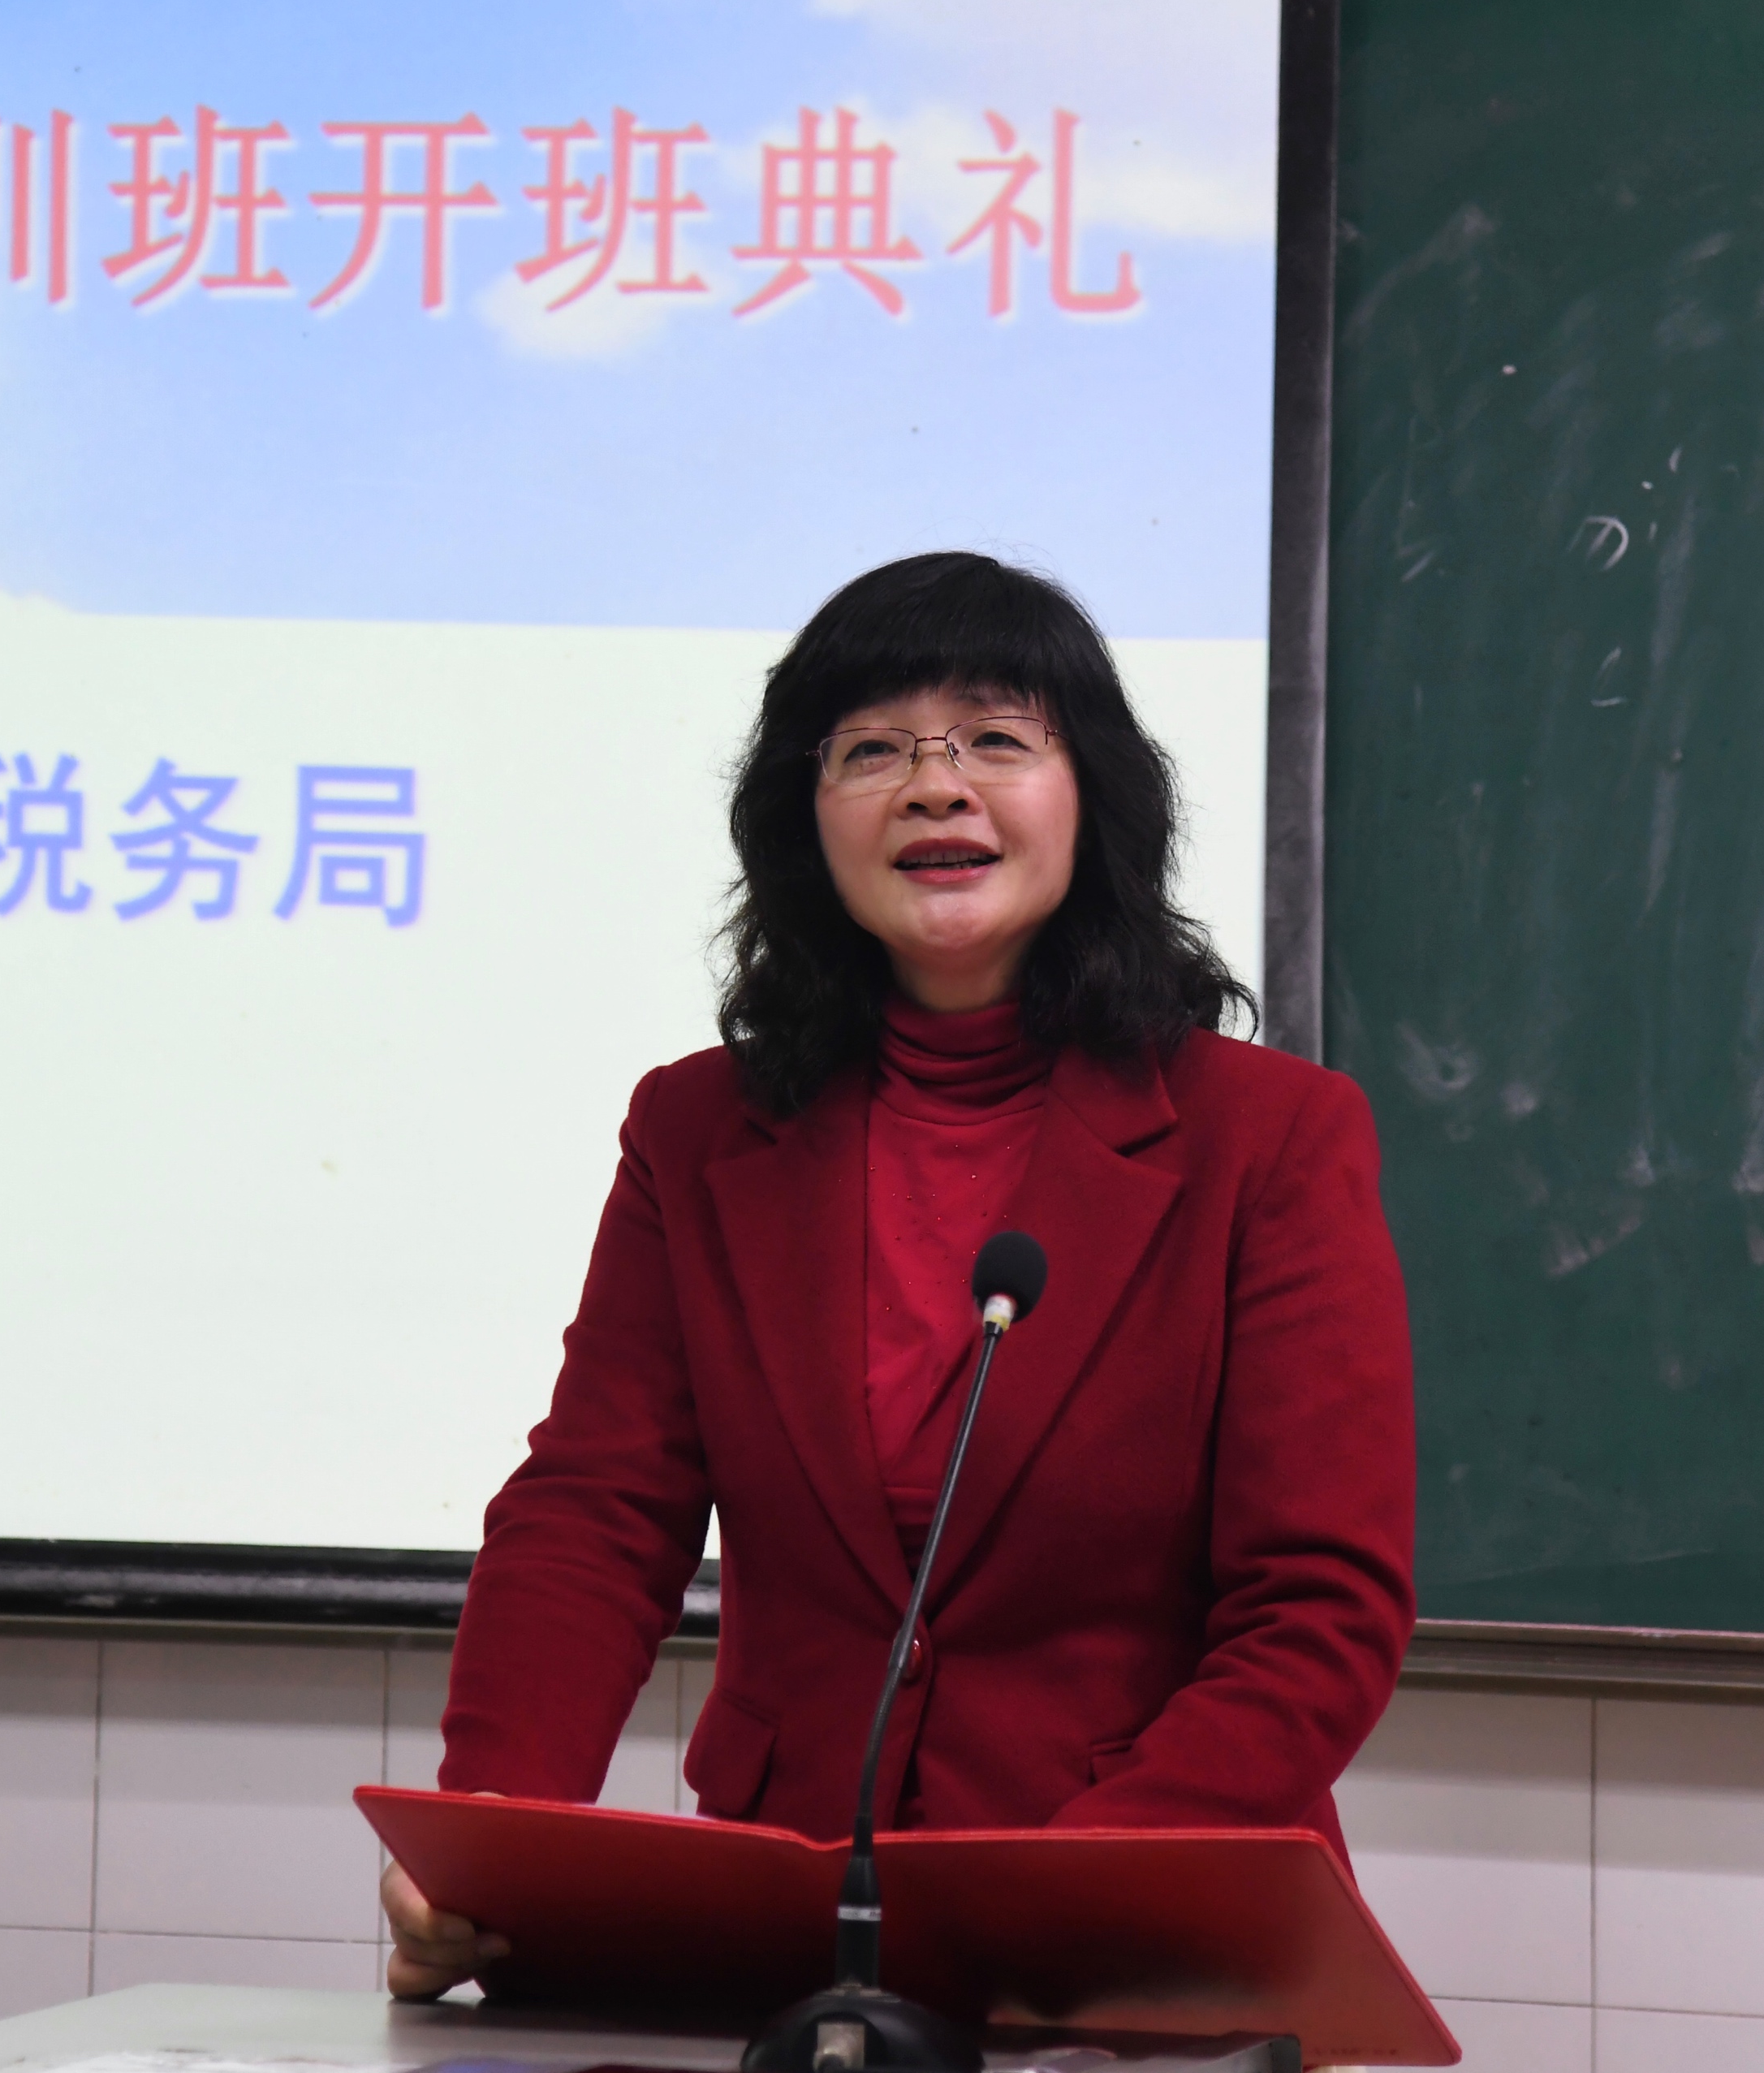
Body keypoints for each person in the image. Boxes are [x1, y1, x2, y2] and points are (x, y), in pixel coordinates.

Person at [384, 552, 1415, 1999]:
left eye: (996, 738)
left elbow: (1319, 1604)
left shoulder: (1270, 1139)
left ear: (1094, 797)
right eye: (872, 750)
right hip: (794, 1938)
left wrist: (1071, 1888)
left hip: (1150, 1944)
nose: (936, 788)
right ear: (804, 818)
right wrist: (491, 1832)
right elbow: (596, 1515)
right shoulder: (698, 1130)